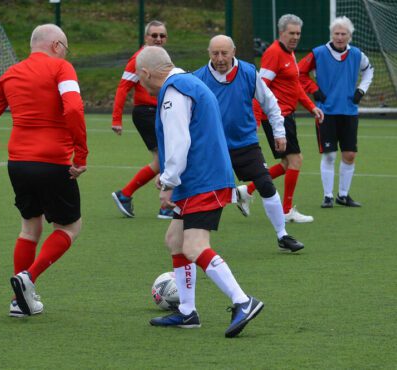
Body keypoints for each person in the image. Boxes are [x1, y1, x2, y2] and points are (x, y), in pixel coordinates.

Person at [136, 46, 263, 337]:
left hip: (203, 179)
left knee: (194, 246)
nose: (139, 83)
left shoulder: (174, 91)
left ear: (146, 73)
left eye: (139, 77)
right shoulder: (190, 82)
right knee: (175, 240)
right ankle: (187, 311)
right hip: (202, 177)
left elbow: (179, 141)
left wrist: (169, 181)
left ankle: (243, 301)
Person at [0, 24, 88, 317]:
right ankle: (29, 278)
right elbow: (74, 109)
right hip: (53, 162)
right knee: (69, 227)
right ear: (56, 46)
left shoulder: (10, 74)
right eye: (65, 47)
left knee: (30, 227)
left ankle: (19, 301)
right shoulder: (61, 68)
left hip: (18, 164)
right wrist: (81, 153)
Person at [193, 35, 304, 252]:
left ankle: (283, 236)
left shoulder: (248, 73)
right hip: (215, 147)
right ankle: (195, 242)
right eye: (215, 53)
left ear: (233, 52)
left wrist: (279, 134)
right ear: (209, 53)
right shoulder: (198, 79)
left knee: (265, 185)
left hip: (245, 143)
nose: (220, 58)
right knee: (206, 193)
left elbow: (271, 104)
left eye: (224, 53)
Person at [239, 14, 325, 223]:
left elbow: (295, 85)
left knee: (288, 163)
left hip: (287, 115)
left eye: (298, 33)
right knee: (296, 160)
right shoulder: (274, 54)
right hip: (278, 117)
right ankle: (286, 211)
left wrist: (311, 106)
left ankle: (246, 190)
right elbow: (260, 89)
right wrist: (255, 120)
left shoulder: (290, 53)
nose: (295, 37)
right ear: (281, 33)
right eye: (291, 33)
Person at [299, 16, 373, 208]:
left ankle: (343, 195)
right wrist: (314, 90)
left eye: (344, 34)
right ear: (331, 34)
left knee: (349, 155)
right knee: (330, 155)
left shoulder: (357, 54)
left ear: (350, 35)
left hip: (349, 111)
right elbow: (299, 73)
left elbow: (368, 71)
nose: (340, 37)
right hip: (326, 112)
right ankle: (328, 196)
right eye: (337, 33)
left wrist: (361, 90)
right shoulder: (319, 53)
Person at [111, 20, 173, 219]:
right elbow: (123, 88)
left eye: (162, 36)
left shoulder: (162, 58)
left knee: (161, 160)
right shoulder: (139, 59)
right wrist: (116, 119)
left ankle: (125, 194)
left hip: (159, 112)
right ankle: (166, 207)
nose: (158, 39)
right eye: (154, 35)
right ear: (146, 37)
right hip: (146, 113)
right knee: (167, 158)